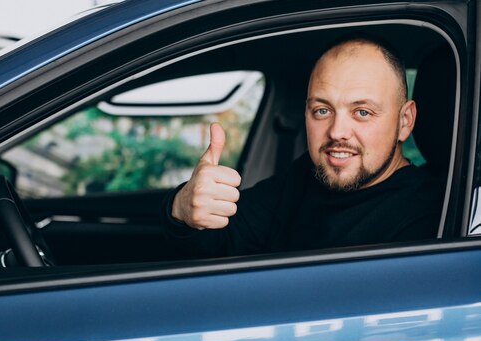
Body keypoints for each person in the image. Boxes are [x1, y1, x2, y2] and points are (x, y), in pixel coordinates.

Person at [161, 36, 443, 257]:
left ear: (405, 121)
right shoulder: (302, 180)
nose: (337, 132)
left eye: (362, 112)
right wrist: (183, 209)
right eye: (322, 110)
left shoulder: (432, 217)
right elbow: (220, 243)